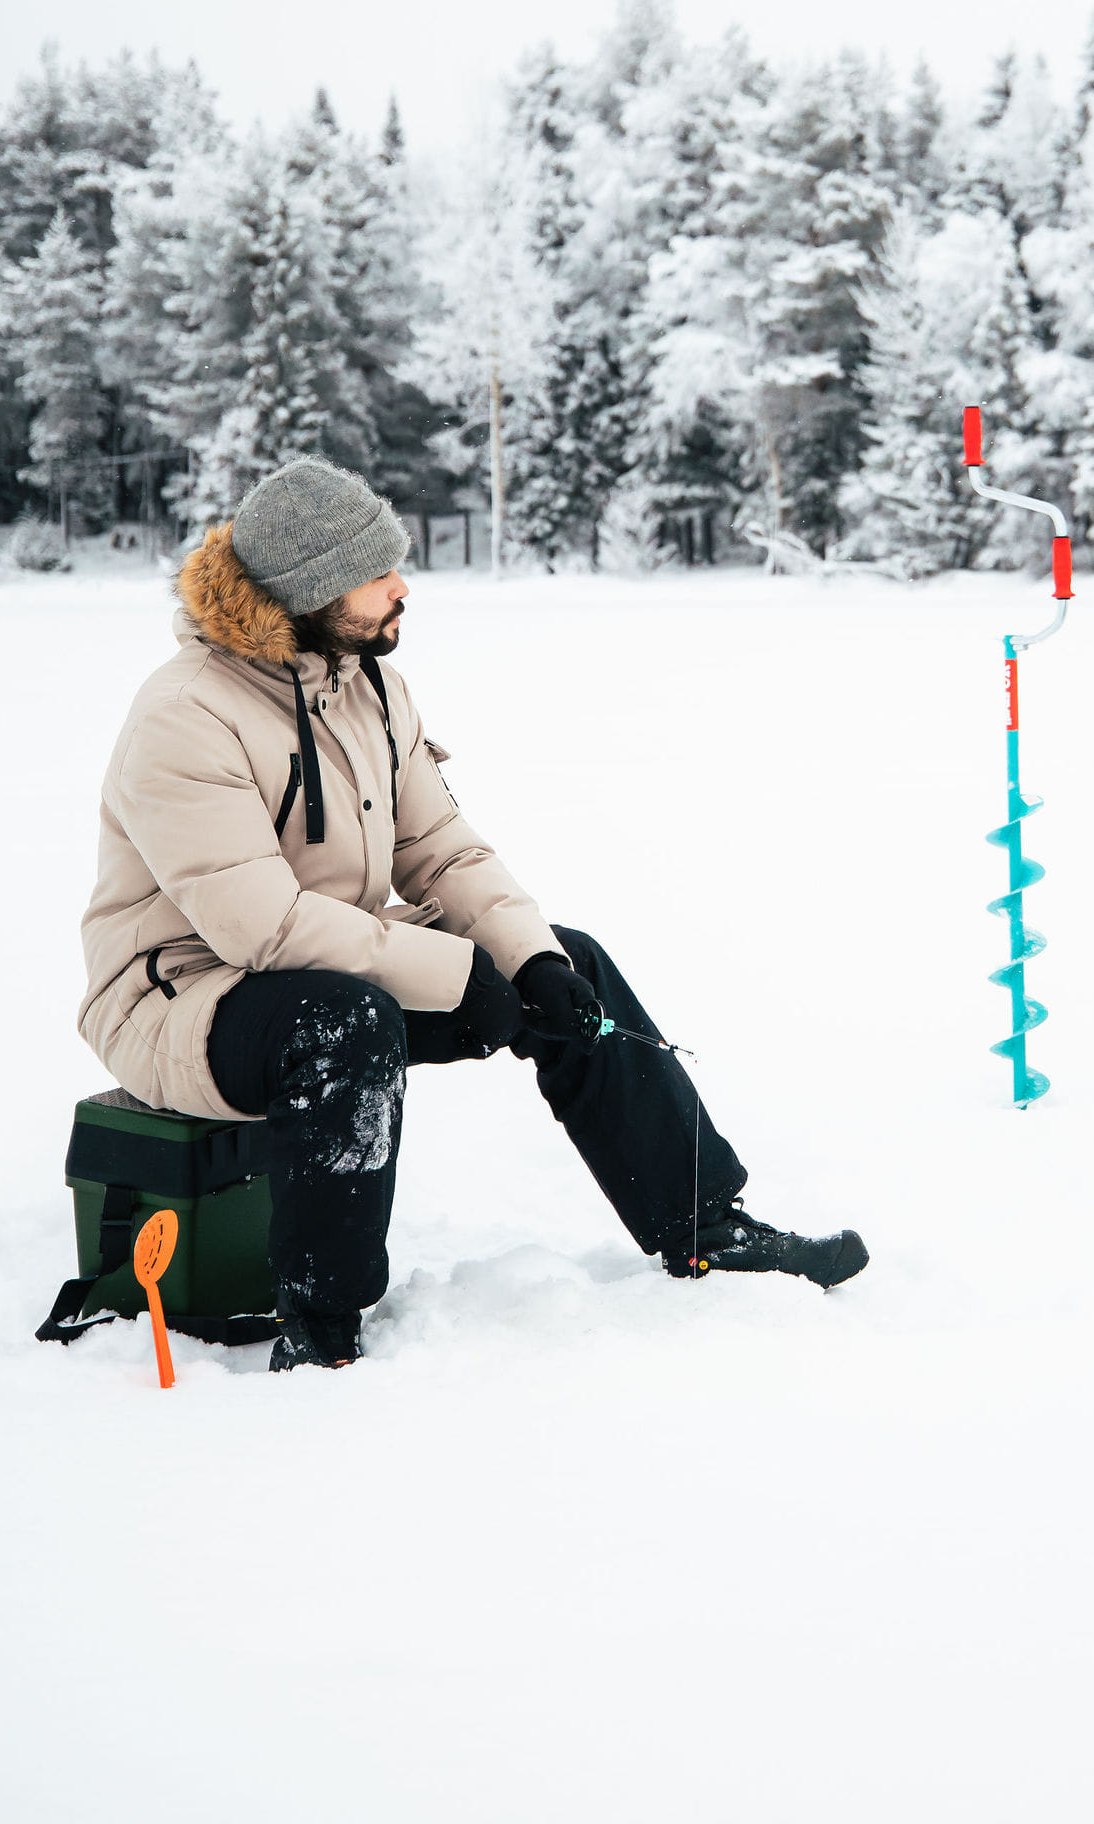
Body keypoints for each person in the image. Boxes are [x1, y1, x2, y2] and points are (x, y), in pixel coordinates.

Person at [80, 457, 868, 1369]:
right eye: (378, 575)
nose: (401, 589)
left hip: (335, 965)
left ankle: (702, 1225)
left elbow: (442, 850)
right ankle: (322, 1324)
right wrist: (458, 979)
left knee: (571, 959)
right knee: (347, 1021)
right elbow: (264, 929)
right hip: (183, 1000)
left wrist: (527, 965)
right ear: (311, 590)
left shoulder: (365, 681)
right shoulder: (184, 716)